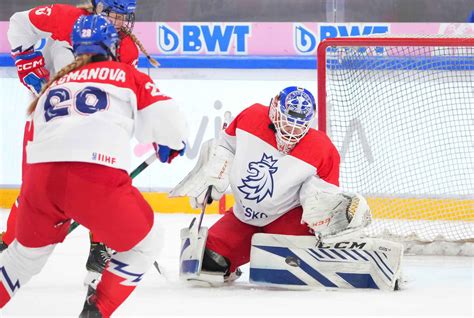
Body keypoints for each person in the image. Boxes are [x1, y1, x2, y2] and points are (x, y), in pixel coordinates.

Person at [0, 14, 187, 316]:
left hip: (39, 183)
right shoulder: (126, 74)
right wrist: (170, 145)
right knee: (147, 242)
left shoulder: (55, 81)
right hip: (95, 180)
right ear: (113, 46)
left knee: (19, 261)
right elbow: (172, 125)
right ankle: (96, 308)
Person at [170, 86, 371, 280]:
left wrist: (320, 208)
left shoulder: (322, 149)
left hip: (287, 219)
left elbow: (325, 197)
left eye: (299, 123)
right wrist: (215, 168)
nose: (292, 130)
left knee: (298, 268)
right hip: (243, 217)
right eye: (287, 120)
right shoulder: (250, 117)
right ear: (274, 110)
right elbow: (225, 146)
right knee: (208, 263)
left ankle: (344, 258)